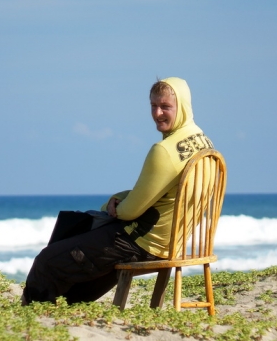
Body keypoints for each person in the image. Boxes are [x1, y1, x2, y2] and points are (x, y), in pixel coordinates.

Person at [21, 77, 214, 305]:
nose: (157, 113)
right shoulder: (206, 144)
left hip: (144, 242)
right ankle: (65, 307)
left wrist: (111, 206)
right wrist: (121, 198)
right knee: (79, 235)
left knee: (47, 260)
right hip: (175, 241)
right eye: (153, 105)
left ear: (182, 106)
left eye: (166, 107)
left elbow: (130, 212)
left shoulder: (164, 151)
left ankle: (31, 317)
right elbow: (161, 192)